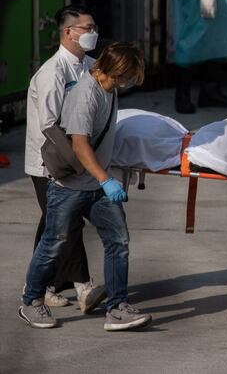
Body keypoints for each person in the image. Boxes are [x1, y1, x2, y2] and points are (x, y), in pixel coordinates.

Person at [18, 42, 152, 331]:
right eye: (124, 76)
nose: (126, 82)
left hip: (97, 186)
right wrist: (106, 180)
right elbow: (79, 146)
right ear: (110, 70)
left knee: (119, 241)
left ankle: (117, 308)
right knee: (54, 244)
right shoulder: (85, 95)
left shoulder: (110, 89)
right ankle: (31, 302)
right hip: (69, 186)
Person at [23, 5, 106, 313]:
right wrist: (80, 159)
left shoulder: (92, 67)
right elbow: (50, 126)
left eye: (94, 27)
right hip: (52, 163)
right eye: (88, 28)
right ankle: (84, 285)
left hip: (78, 159)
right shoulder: (52, 73)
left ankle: (42, 285)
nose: (93, 33)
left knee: (53, 222)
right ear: (69, 33)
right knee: (66, 221)